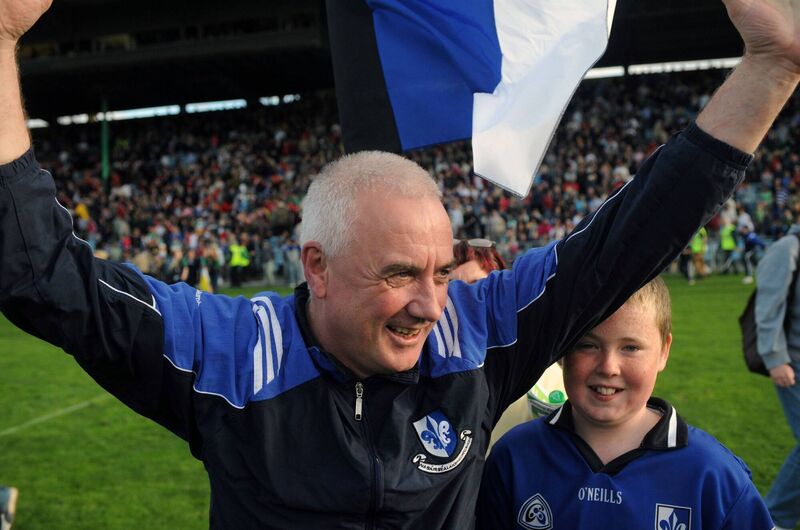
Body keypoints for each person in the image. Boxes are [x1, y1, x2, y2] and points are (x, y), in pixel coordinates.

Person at [0, 0, 798, 527]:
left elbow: (627, 240)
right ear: (315, 266)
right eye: (397, 276)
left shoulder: (477, 333)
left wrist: (770, 67)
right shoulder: (232, 353)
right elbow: (43, 276)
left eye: (442, 271)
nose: (429, 304)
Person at [477, 277, 775, 529]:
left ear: (663, 352)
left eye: (630, 347)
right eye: (587, 345)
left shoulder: (712, 474)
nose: (608, 367)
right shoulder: (514, 457)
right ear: (562, 350)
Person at [755, 224, 800, 530]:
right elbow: (767, 308)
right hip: (792, 364)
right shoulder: (788, 247)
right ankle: (773, 519)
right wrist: (775, 358)